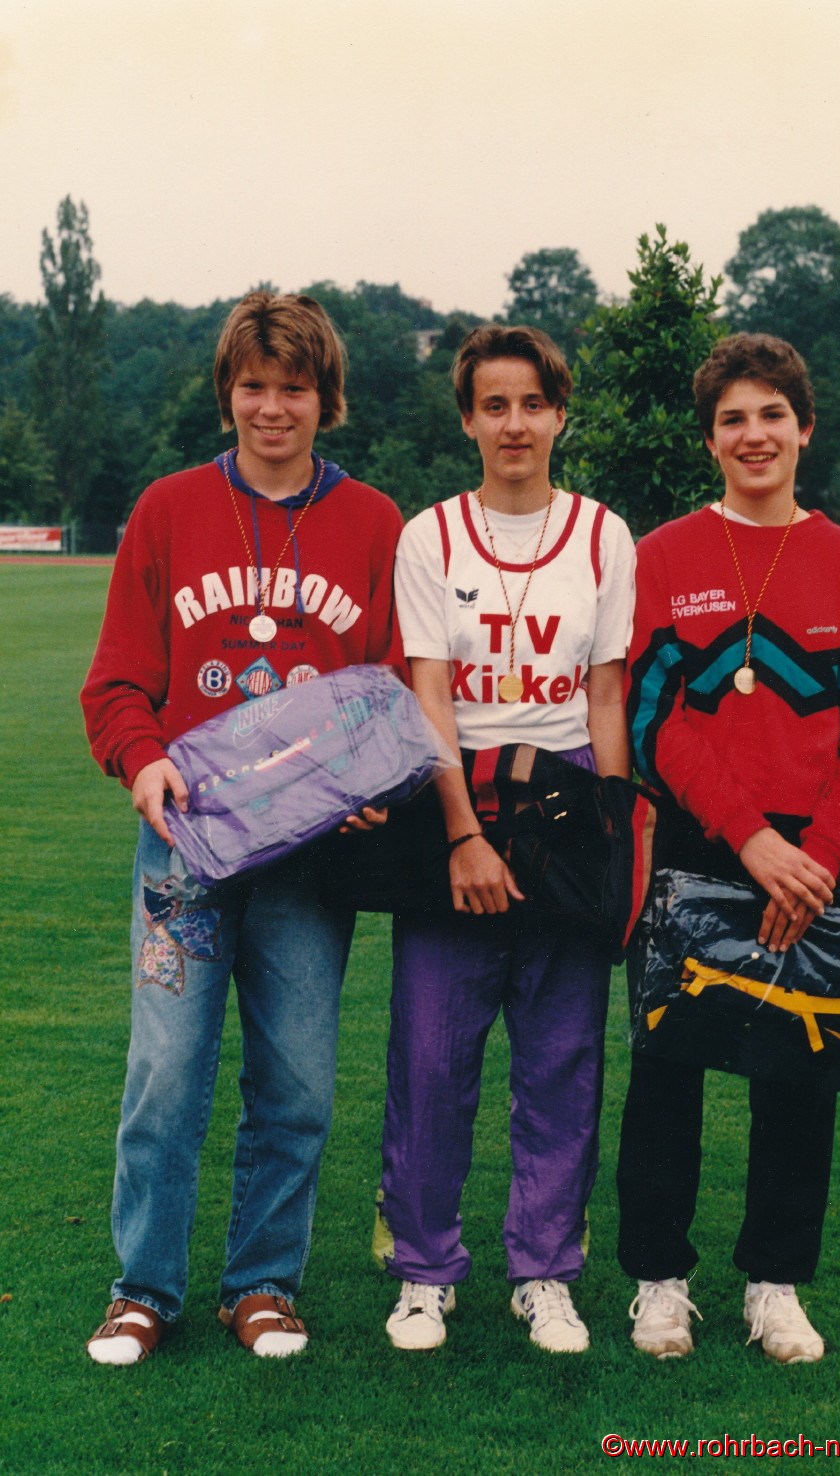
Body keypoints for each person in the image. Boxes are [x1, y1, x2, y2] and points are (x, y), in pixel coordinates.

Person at [80, 291, 403, 1364]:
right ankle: (143, 1287)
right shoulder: (168, 509)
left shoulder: (371, 522)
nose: (274, 407)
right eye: (255, 386)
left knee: (299, 1080)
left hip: (308, 860)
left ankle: (262, 1283)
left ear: (327, 398)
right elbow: (118, 680)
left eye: (295, 387)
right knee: (167, 1072)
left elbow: (391, 690)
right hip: (186, 847)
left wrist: (375, 784)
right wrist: (144, 759)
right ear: (229, 392)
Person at [617, 332, 840, 1365]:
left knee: (799, 1076)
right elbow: (653, 722)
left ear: (804, 427)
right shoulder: (661, 558)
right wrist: (749, 843)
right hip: (700, 844)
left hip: (817, 862)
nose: (754, 435)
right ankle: (658, 1279)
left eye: (771, 414)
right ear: (710, 438)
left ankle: (774, 1284)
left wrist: (814, 855)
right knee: (667, 1071)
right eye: (733, 418)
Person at [374, 324, 636, 1354]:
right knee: (432, 1060)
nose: (514, 423)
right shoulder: (429, 535)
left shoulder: (602, 533)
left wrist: (611, 832)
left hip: (564, 820)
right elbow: (427, 691)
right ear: (468, 420)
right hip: (456, 819)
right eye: (494, 405)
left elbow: (605, 692)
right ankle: (424, 1273)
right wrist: (462, 836)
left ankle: (545, 1272)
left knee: (562, 1062)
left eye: (532, 402)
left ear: (559, 413)